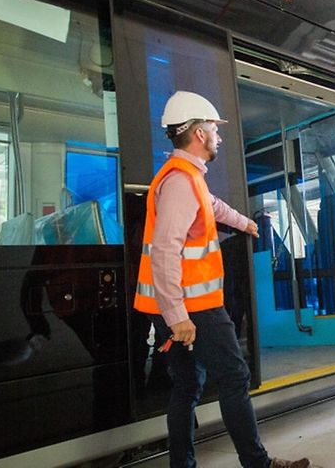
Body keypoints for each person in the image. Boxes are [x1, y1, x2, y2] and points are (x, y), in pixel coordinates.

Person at [133, 91, 309, 468]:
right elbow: (164, 251)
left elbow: (213, 207)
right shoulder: (181, 182)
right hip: (191, 309)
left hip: (171, 305)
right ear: (199, 133)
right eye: (214, 129)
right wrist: (178, 317)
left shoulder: (187, 177)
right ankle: (258, 464)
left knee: (187, 386)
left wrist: (245, 223)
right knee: (234, 377)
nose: (219, 136)